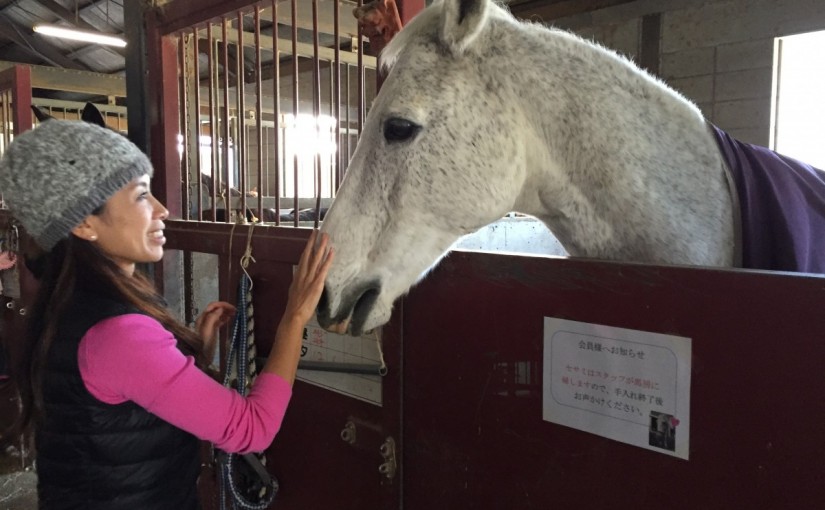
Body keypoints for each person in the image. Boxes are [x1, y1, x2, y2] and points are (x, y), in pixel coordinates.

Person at [0, 119, 334, 509]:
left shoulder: (67, 303)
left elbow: (120, 406)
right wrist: (295, 317)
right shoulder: (117, 332)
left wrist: (196, 355)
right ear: (85, 224)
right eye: (142, 195)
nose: (162, 208)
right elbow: (252, 429)